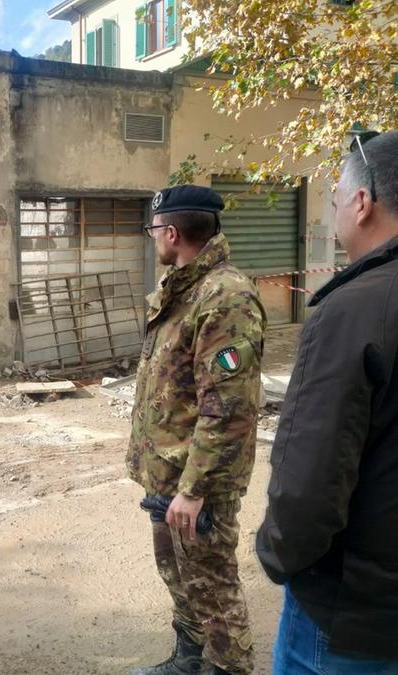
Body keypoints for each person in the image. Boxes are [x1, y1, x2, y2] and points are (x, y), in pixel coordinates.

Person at [256, 131, 398, 674]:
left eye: (337, 193)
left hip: (351, 615)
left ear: (363, 203)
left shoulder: (352, 311)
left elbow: (310, 478)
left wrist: (278, 552)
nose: (334, 203)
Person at [127, 185, 267, 675]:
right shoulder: (181, 289)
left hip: (197, 483)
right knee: (180, 578)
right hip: (168, 474)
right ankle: (189, 661)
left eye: (153, 232)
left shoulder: (224, 296)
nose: (153, 241)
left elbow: (228, 409)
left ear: (170, 232)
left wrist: (195, 489)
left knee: (213, 588)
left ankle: (228, 669)